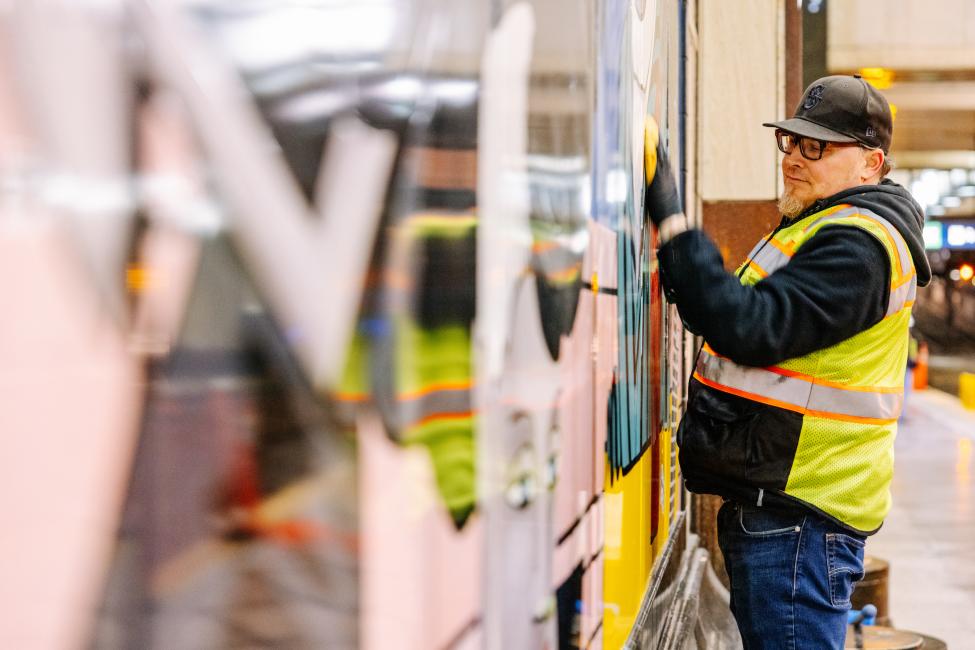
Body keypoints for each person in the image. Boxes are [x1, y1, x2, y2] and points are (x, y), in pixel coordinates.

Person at [644, 75, 931, 648]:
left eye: (817, 147)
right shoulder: (822, 225)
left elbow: (751, 326)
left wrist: (674, 223)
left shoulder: (860, 245)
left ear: (871, 164)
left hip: (800, 517)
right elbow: (736, 317)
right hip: (785, 510)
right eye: (792, 142)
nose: (795, 158)